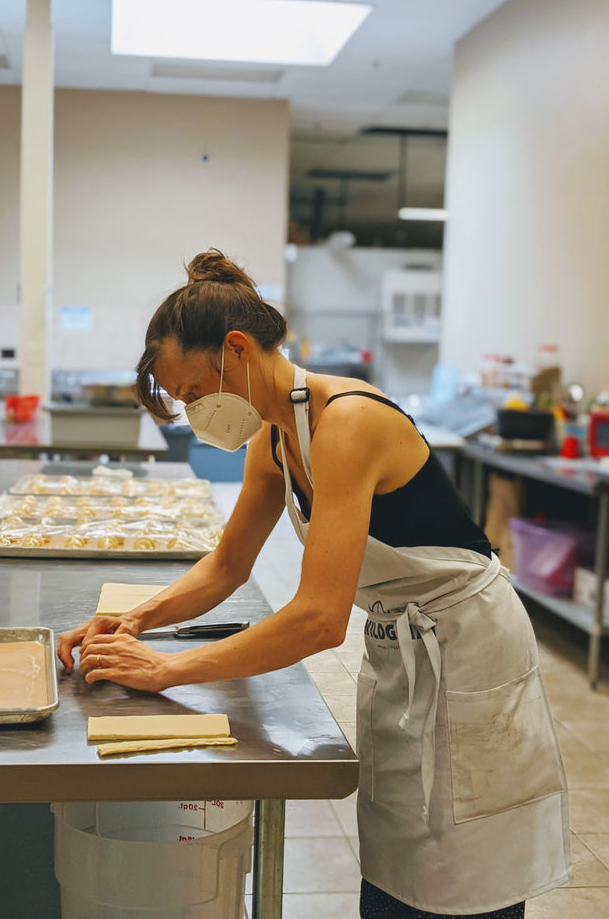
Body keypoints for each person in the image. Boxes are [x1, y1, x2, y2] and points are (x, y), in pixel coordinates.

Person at [58, 249, 571, 919]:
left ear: (235, 349)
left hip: (469, 654)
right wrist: (133, 623)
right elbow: (227, 564)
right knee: (399, 866)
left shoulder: (348, 422)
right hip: (403, 653)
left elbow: (321, 619)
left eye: (191, 393)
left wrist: (166, 669)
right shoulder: (273, 438)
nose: (194, 412)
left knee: (464, 874)